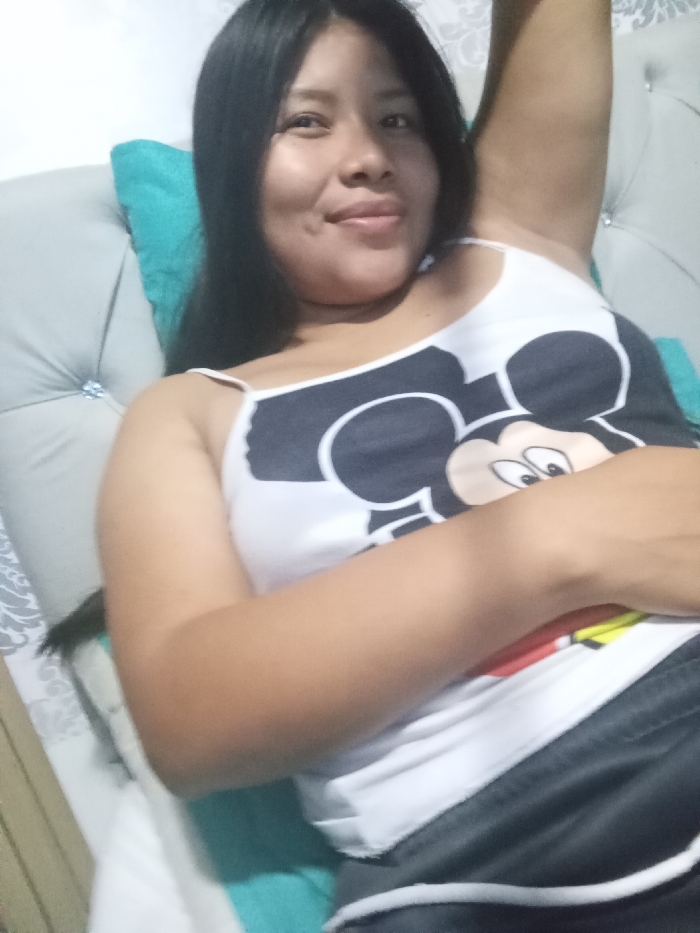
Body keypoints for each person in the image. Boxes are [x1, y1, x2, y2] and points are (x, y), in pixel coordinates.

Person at [85, 0, 700, 930]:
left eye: (399, 118)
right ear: (232, 160)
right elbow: (187, 717)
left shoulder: (515, 241)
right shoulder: (189, 414)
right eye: (306, 121)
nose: (369, 154)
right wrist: (555, 537)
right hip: (490, 853)